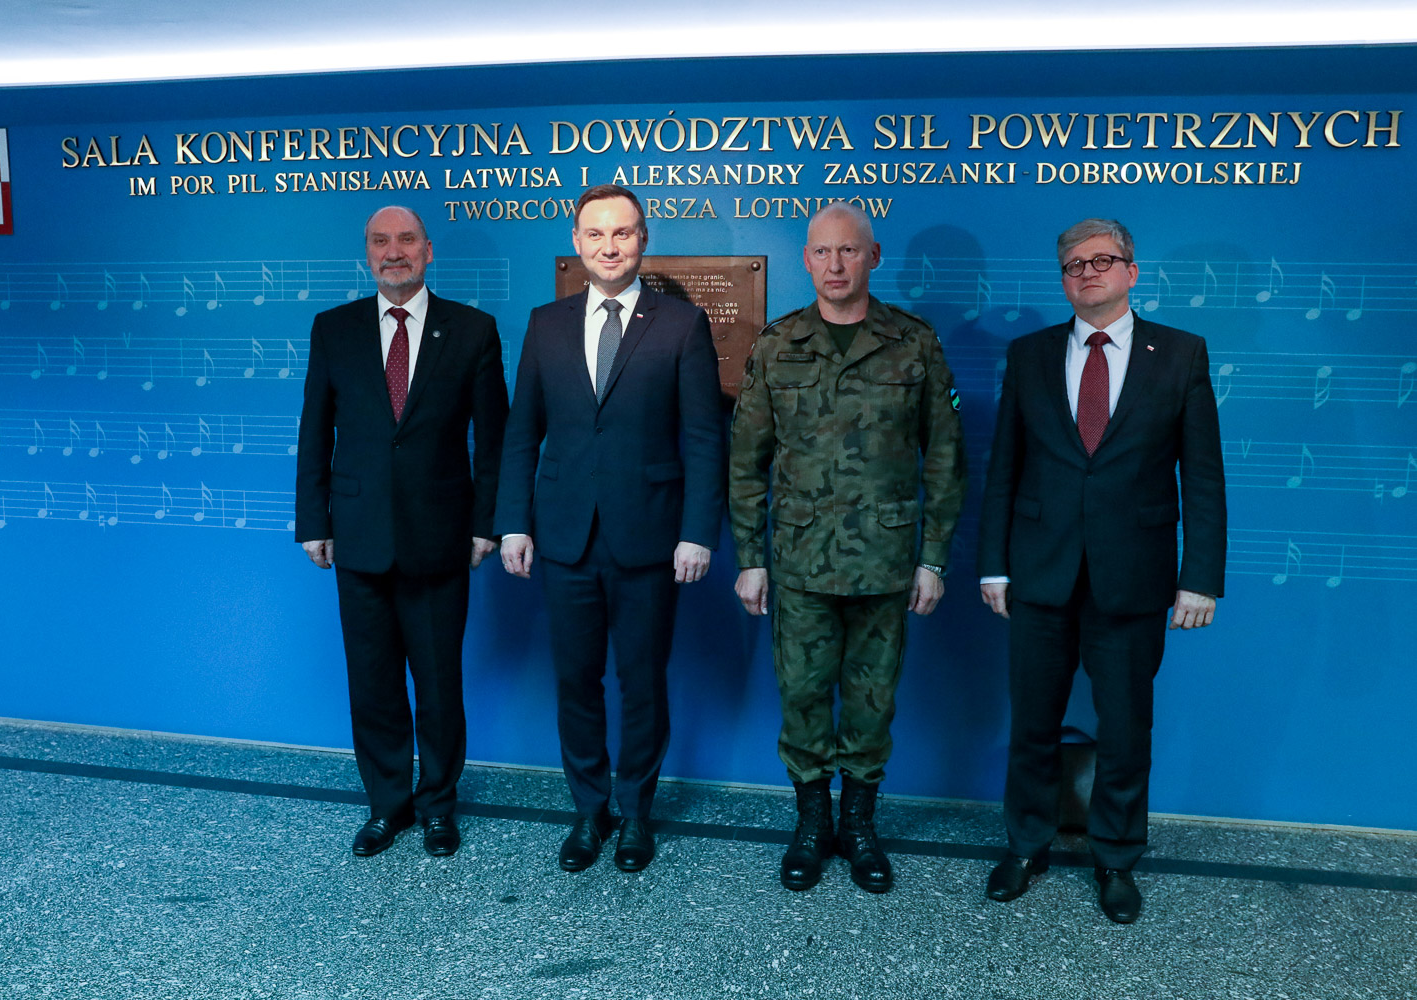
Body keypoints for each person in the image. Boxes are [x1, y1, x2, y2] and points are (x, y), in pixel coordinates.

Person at [977, 218, 1226, 923]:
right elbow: (1004, 469)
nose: (1087, 272)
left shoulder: (1179, 354)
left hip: (1134, 577)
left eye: (1102, 260)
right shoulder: (1029, 354)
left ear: (1131, 272)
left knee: (1124, 729)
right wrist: (993, 566)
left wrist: (1200, 576)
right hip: (1039, 572)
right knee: (1032, 723)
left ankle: (1116, 857)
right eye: (1073, 264)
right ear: (1063, 279)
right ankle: (1026, 846)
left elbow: (1203, 476)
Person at [727, 202, 967, 894]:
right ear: (807, 260)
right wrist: (750, 558)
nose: (835, 265)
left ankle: (858, 826)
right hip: (800, 562)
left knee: (871, 701)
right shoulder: (778, 344)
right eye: (823, 252)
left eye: (849, 251)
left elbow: (945, 458)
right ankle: (811, 824)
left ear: (873, 256)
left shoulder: (913, 343)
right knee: (802, 695)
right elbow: (746, 462)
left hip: (885, 563)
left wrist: (933, 558)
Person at [495, 184, 724, 874]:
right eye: (595, 234)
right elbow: (521, 432)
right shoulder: (546, 323)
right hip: (564, 535)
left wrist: (697, 532)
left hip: (650, 537)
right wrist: (513, 523)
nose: (609, 246)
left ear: (643, 238)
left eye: (622, 233)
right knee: (576, 680)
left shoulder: (681, 324)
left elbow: (704, 438)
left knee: (642, 681)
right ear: (576, 242)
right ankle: (589, 810)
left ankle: (635, 813)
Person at [295, 205, 509, 859]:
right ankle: (387, 805)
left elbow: (494, 441)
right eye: (381, 241)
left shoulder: (472, 330)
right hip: (358, 537)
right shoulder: (333, 328)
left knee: (439, 685)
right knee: (374, 683)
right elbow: (314, 430)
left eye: (407, 240)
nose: (394, 251)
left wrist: (488, 524)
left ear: (428, 251)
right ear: (367, 253)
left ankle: (438, 805)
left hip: (441, 538)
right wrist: (313, 521)